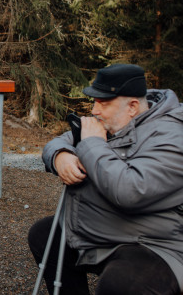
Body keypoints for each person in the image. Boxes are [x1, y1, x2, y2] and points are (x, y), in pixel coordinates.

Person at [28, 64, 183, 294]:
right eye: (94, 101)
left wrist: (91, 145)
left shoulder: (171, 137)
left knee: (121, 283)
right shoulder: (115, 120)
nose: (94, 110)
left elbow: (130, 191)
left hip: (153, 242)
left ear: (132, 106)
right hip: (104, 229)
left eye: (103, 103)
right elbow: (60, 141)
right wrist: (60, 157)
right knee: (44, 235)